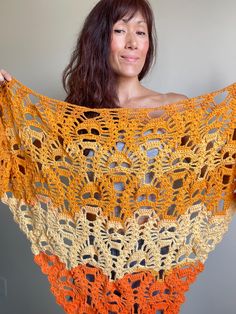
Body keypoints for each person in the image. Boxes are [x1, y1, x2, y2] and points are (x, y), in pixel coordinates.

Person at [0, 0, 188, 109]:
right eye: (120, 30)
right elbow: (27, 163)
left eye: (140, 32)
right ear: (99, 40)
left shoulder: (176, 107)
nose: (132, 44)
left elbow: (207, 173)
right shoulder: (75, 113)